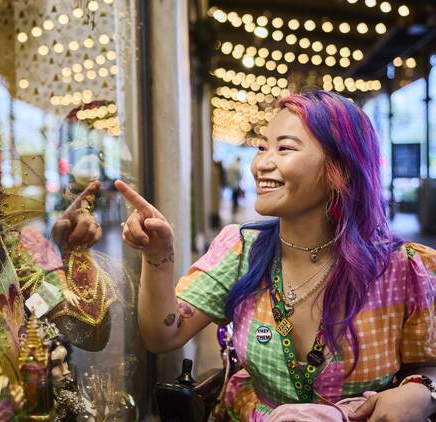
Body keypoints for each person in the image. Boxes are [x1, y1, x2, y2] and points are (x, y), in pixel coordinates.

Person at [115, 91, 436, 421]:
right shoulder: (241, 251)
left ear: (340, 166)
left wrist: (424, 391)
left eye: (284, 148)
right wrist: (158, 256)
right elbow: (162, 335)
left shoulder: (402, 268)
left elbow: (428, 366)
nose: (261, 164)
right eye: (262, 147)